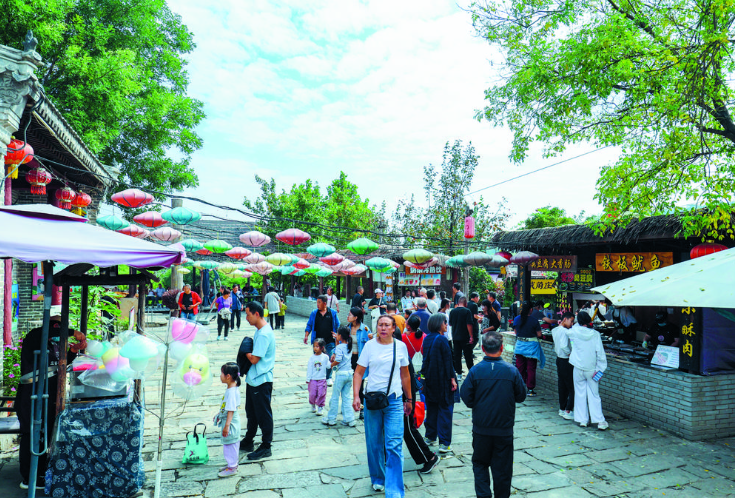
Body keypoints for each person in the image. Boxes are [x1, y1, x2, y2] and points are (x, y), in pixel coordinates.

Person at [17, 305, 86, 490]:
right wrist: (72, 332)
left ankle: (41, 472)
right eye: (57, 327)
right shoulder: (35, 336)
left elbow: (60, 364)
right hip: (31, 395)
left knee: (46, 434)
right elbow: (46, 333)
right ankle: (29, 478)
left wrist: (73, 351)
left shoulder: (56, 344)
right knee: (32, 434)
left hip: (49, 396)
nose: (59, 332)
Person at [460, 331, 527, 498]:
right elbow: (521, 395)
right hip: (504, 430)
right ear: (501, 348)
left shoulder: (475, 371)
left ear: (483, 348)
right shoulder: (511, 371)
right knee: (503, 469)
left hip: (481, 429)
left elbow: (466, 396)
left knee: (480, 464)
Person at [353, 314, 412, 495]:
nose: (383, 328)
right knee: (374, 443)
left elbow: (405, 375)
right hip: (372, 401)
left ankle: (394, 491)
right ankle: (378, 477)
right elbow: (358, 372)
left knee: (394, 445)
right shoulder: (369, 346)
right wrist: (356, 396)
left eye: (387, 325)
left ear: (394, 328)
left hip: (394, 400)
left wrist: (409, 399)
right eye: (380, 325)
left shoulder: (400, 347)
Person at [396, 326, 439, 474]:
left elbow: (406, 378)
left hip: (404, 395)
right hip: (400, 395)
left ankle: (429, 457)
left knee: (408, 429)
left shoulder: (400, 354)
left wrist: (408, 400)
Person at [240, 301, 277, 459]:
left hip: (261, 380)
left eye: (248, 314)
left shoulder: (263, 334)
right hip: (254, 379)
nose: (246, 318)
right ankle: (249, 440)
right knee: (252, 413)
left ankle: (266, 446)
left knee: (263, 414)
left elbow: (254, 359)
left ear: (256, 314)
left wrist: (245, 351)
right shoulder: (260, 330)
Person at [420, 313, 457, 454]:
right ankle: (444, 443)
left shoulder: (427, 339)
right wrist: (452, 379)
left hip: (430, 379)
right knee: (445, 410)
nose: (446, 325)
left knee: (432, 409)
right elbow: (448, 362)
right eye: (444, 322)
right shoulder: (442, 339)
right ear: (438, 324)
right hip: (443, 380)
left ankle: (430, 436)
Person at [566, 311, 608, 430]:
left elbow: (570, 331)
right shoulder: (595, 334)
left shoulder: (573, 332)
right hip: (592, 369)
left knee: (580, 394)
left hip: (578, 367)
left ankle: (582, 420)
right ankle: (599, 421)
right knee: (594, 395)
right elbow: (600, 354)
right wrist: (600, 369)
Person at [304, 295, 341, 386]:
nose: (317, 304)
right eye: (317, 302)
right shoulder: (314, 313)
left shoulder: (332, 313)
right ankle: (317, 377)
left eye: (319, 302)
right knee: (317, 360)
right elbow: (309, 325)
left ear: (325, 303)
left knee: (330, 359)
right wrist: (306, 336)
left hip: (330, 341)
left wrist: (338, 335)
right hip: (318, 342)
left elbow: (338, 325)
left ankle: (328, 377)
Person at [323, 327, 355, 427]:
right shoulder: (349, 345)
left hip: (341, 374)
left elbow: (338, 359)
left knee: (335, 397)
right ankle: (350, 419)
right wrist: (337, 340)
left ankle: (331, 418)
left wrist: (331, 365)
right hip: (349, 374)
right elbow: (339, 350)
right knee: (346, 397)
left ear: (340, 335)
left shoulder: (340, 347)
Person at [215, 362, 241, 477]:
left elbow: (231, 410)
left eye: (221, 373)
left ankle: (232, 467)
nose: (220, 376)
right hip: (229, 420)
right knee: (229, 444)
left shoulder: (231, 392)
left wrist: (227, 426)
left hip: (231, 423)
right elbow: (227, 407)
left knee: (230, 445)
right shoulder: (231, 389)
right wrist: (219, 414)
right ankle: (231, 464)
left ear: (228, 376)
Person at [513, 302, 545, 397]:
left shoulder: (516, 319)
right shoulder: (534, 320)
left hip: (519, 346)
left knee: (520, 368)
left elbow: (516, 332)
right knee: (531, 369)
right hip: (531, 348)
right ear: (531, 309)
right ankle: (530, 389)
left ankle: (520, 387)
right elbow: (539, 334)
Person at [347, 307, 371, 420]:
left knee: (360, 385)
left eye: (350, 314)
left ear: (356, 317)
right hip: (349, 359)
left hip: (360, 359)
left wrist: (371, 338)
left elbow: (371, 344)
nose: (348, 316)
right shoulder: (346, 329)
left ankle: (362, 408)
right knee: (347, 383)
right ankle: (347, 407)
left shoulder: (365, 329)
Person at [553, 312, 575, 420]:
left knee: (562, 385)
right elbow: (564, 346)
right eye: (571, 321)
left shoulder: (555, 330)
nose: (572, 324)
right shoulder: (565, 332)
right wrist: (570, 354)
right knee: (571, 386)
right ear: (565, 319)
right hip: (566, 360)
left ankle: (562, 408)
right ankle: (568, 409)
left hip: (559, 359)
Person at [449, 296, 474, 381]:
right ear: (466, 303)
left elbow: (450, 324)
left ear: (458, 303)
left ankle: (459, 373)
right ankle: (471, 372)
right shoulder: (467, 311)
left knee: (457, 355)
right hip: (465, 337)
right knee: (468, 355)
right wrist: (471, 336)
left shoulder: (452, 311)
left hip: (455, 336)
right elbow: (469, 324)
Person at [306, 338, 329, 416]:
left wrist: (333, 362)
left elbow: (328, 366)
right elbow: (309, 368)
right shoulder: (312, 358)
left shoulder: (325, 357)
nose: (315, 348)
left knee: (321, 393)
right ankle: (313, 404)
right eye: (314, 346)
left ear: (322, 347)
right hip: (313, 379)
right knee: (312, 393)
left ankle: (320, 406)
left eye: (317, 346)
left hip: (322, 379)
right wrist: (308, 378)